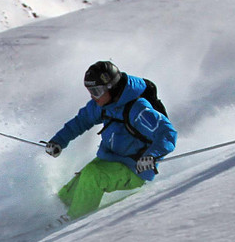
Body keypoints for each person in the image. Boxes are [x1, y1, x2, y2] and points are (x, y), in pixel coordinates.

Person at [44, 61, 177, 219]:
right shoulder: (102, 104)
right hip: (109, 161)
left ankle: (73, 220)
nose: (93, 96)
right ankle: (55, 210)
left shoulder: (138, 109)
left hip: (134, 168)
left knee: (93, 176)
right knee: (81, 179)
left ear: (111, 87)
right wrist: (59, 141)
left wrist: (152, 155)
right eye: (90, 91)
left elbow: (167, 133)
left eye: (97, 91)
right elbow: (82, 121)